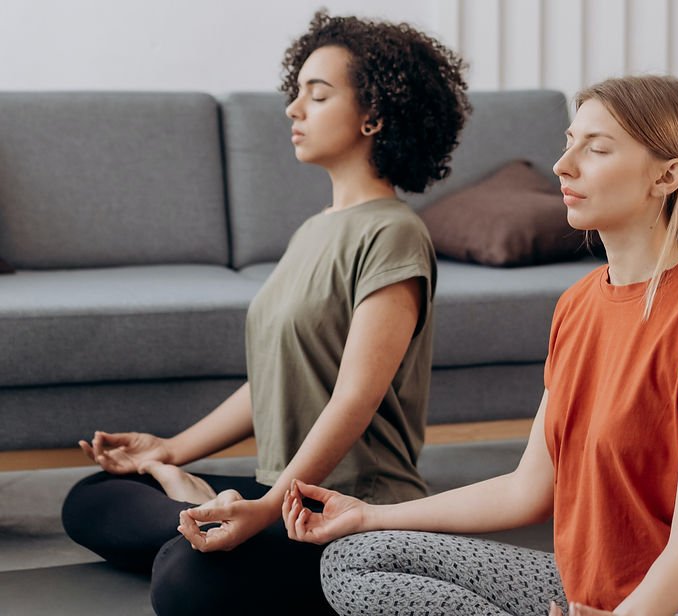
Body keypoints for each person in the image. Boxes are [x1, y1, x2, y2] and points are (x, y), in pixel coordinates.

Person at [282, 75, 678, 615]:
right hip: (588, 595)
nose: (563, 165)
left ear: (667, 176)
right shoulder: (577, 305)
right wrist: (369, 515)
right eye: (569, 142)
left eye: (595, 149)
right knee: (356, 559)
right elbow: (527, 489)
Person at [60, 10, 469, 615]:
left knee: (183, 581)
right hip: (284, 496)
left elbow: (354, 398)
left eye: (318, 93)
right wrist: (170, 452)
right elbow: (274, 379)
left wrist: (264, 505)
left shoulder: (394, 234)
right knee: (92, 497)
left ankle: (208, 517)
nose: (293, 109)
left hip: (346, 506)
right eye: (296, 91)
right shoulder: (311, 231)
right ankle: (197, 502)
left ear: (374, 116)